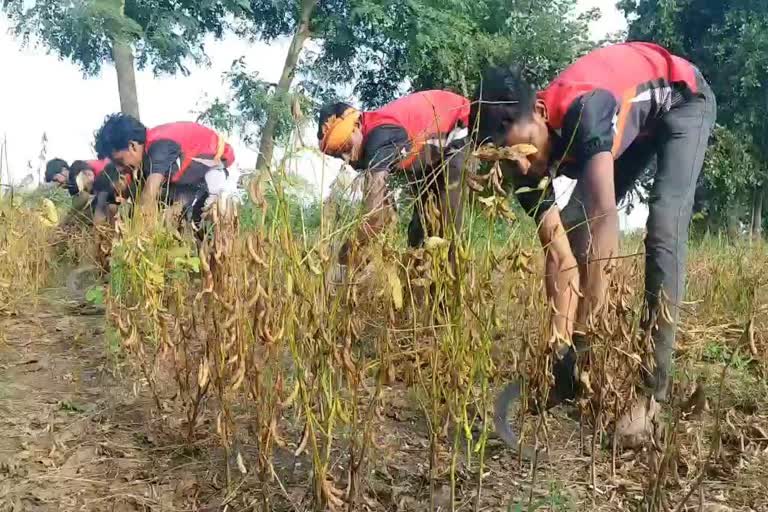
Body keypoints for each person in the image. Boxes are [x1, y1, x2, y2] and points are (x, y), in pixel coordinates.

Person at [471, 42, 716, 445]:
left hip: (683, 96)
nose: (521, 166)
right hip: (635, 124)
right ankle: (567, 378)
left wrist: (587, 332)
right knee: (572, 227)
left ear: (539, 113)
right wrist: (560, 345)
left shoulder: (584, 110)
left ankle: (651, 395)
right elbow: (560, 255)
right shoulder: (518, 165)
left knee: (664, 225)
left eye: (523, 147)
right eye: (507, 159)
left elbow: (605, 220)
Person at [317, 90, 471, 265]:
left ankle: (451, 285)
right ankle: (416, 285)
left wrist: (348, 251)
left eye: (345, 147)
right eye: (338, 155)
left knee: (445, 225)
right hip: (425, 158)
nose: (346, 159)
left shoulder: (378, 138)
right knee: (419, 234)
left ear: (358, 126)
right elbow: (383, 212)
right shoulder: (368, 151)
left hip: (455, 130)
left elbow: (374, 216)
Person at [92, 115, 237, 225]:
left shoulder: (159, 147)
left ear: (132, 146)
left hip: (220, 173)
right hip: (194, 182)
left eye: (120, 161)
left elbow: (148, 196)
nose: (120, 168)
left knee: (214, 219)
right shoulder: (144, 163)